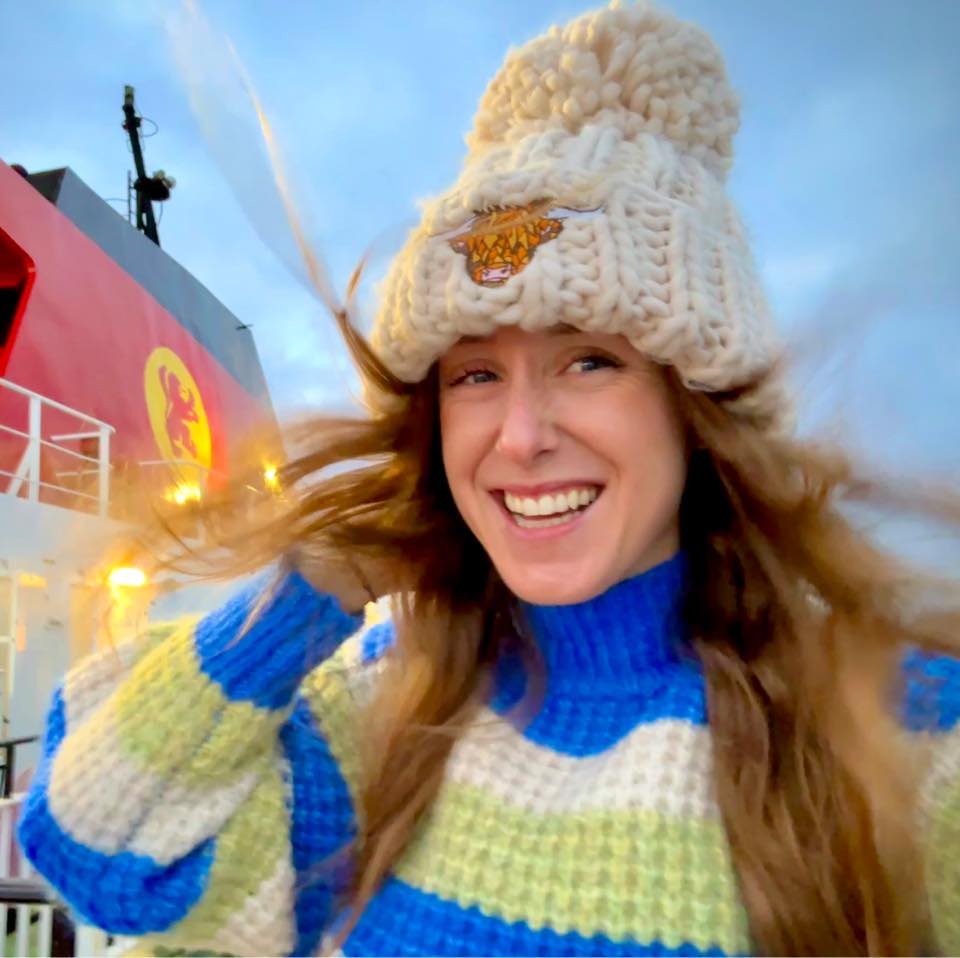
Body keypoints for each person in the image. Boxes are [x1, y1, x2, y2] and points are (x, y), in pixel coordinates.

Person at [17, 4, 960, 956]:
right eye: (475, 375)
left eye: (589, 360)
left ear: (696, 407)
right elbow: (100, 852)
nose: (519, 437)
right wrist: (305, 593)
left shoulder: (896, 730)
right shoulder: (387, 707)